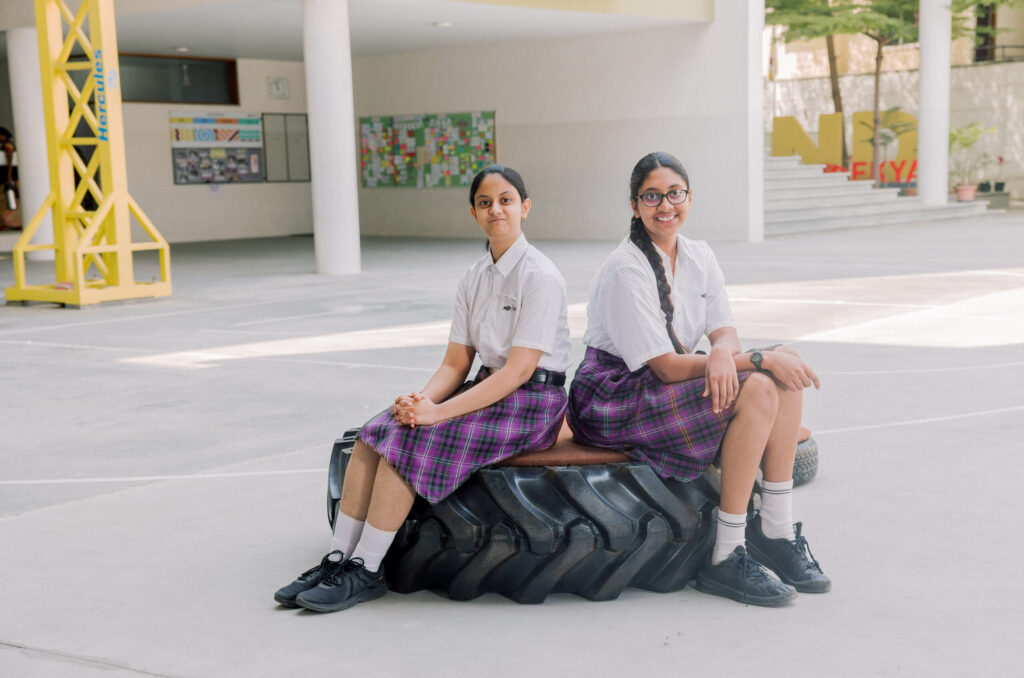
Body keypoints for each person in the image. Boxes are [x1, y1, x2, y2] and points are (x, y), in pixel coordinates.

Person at [275, 165, 571, 613]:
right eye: (485, 203)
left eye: (506, 200)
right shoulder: (474, 276)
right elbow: (456, 362)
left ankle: (367, 569)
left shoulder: (540, 275)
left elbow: (516, 372)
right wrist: (422, 401)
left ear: (525, 207)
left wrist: (437, 415)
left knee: (412, 440)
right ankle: (338, 557)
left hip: (531, 400)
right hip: (488, 386)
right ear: (473, 213)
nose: (497, 210)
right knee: (377, 431)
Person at [568, 151, 829, 606]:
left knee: (777, 373)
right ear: (635, 205)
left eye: (674, 193)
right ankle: (725, 556)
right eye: (652, 196)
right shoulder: (626, 268)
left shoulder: (699, 255)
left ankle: (775, 530)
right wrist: (752, 359)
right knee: (766, 375)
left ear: (690, 197)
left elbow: (723, 330)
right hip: (614, 394)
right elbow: (666, 367)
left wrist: (729, 353)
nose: (665, 205)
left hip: (665, 377)